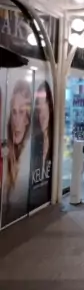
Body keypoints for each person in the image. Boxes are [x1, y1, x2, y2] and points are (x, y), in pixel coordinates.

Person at [3, 78, 33, 225]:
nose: (16, 121)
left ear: (28, 119)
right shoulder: (7, 152)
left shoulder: (28, 156)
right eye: (14, 112)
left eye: (22, 112)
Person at [30, 80, 54, 206]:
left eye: (44, 104)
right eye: (38, 108)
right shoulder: (35, 141)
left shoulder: (54, 140)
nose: (42, 114)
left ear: (50, 107)